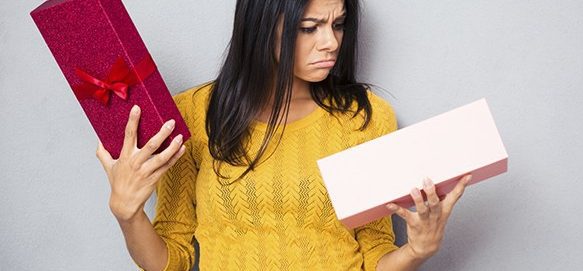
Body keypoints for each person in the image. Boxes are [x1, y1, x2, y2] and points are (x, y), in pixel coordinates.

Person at [95, 0, 472, 270]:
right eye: (309, 28)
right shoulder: (193, 115)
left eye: (338, 24)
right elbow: (170, 260)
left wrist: (418, 251)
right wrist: (128, 215)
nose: (331, 43)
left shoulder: (365, 118)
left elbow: (375, 255)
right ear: (261, 26)